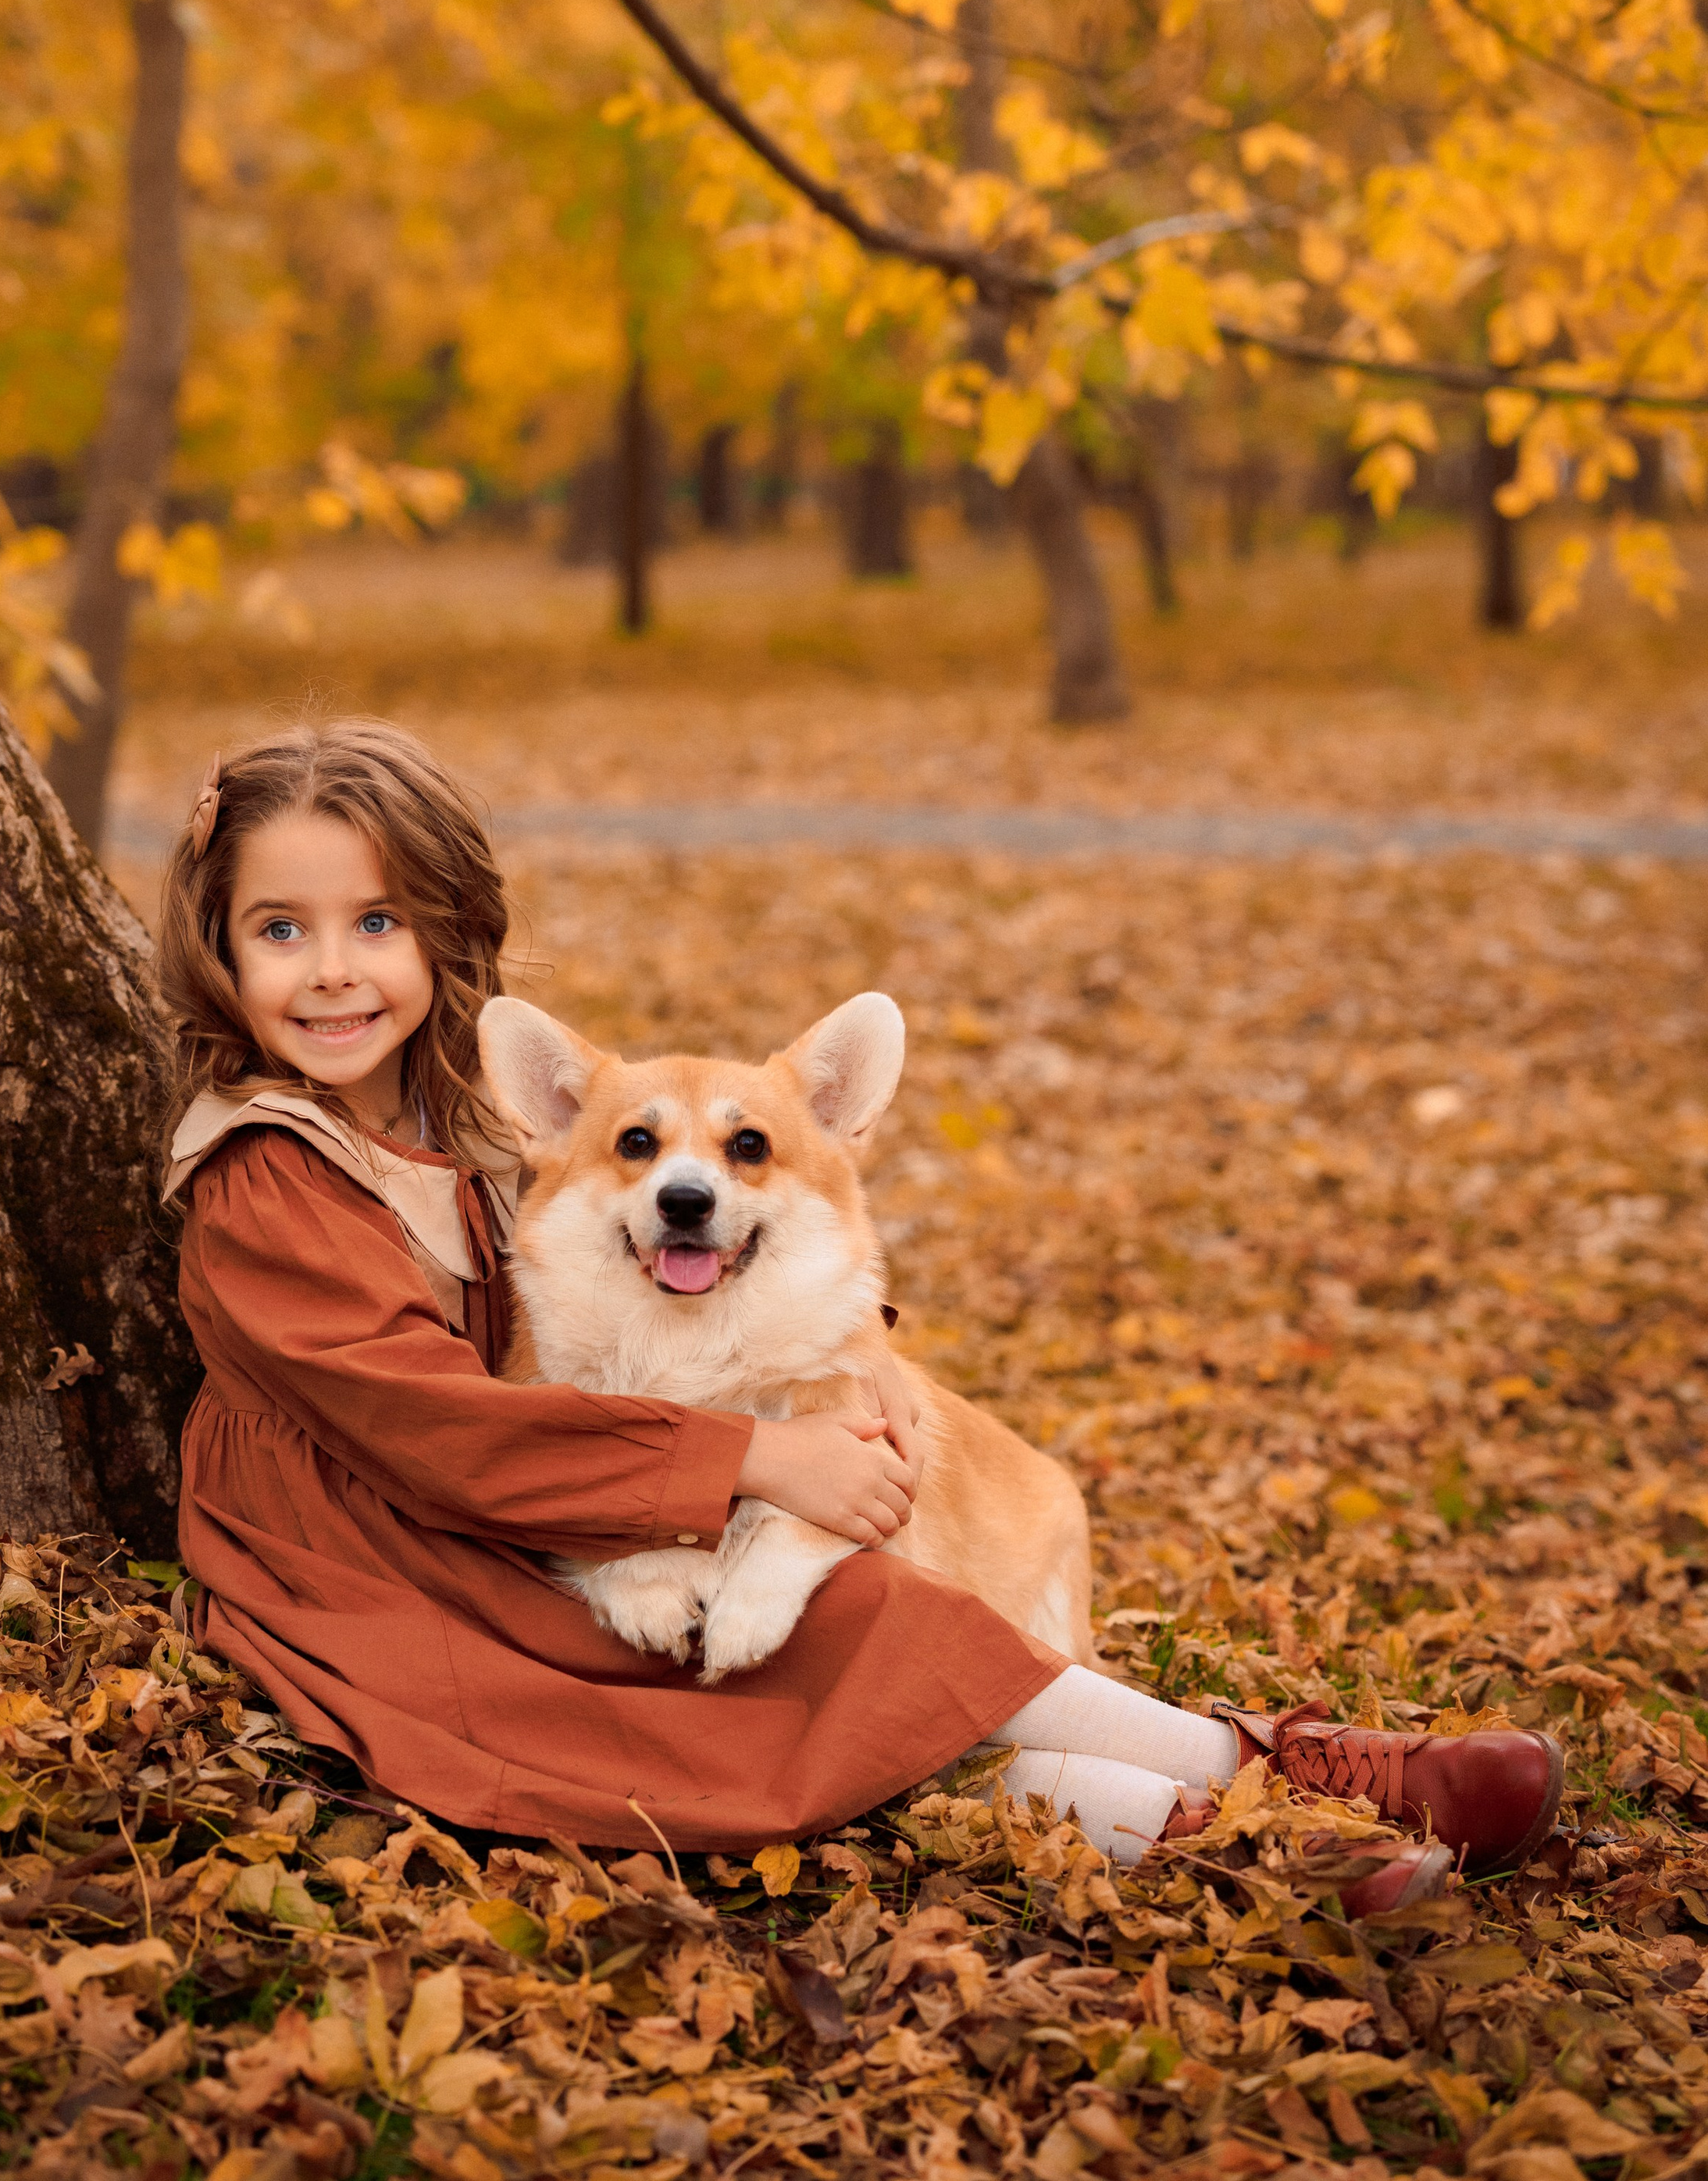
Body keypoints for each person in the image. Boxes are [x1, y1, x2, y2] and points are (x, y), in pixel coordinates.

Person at [159, 719, 1564, 1912]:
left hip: (530, 1514)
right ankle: (1250, 1813)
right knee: (845, 1653)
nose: (333, 969)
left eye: (376, 922)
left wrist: (851, 1363)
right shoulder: (267, 1177)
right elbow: (443, 1422)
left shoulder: (446, 1119)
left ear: (444, 933)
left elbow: (658, 1297)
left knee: (847, 1672)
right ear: (221, 951)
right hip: (387, 1575)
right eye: (282, 929)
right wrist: (760, 1463)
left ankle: (1280, 1789)